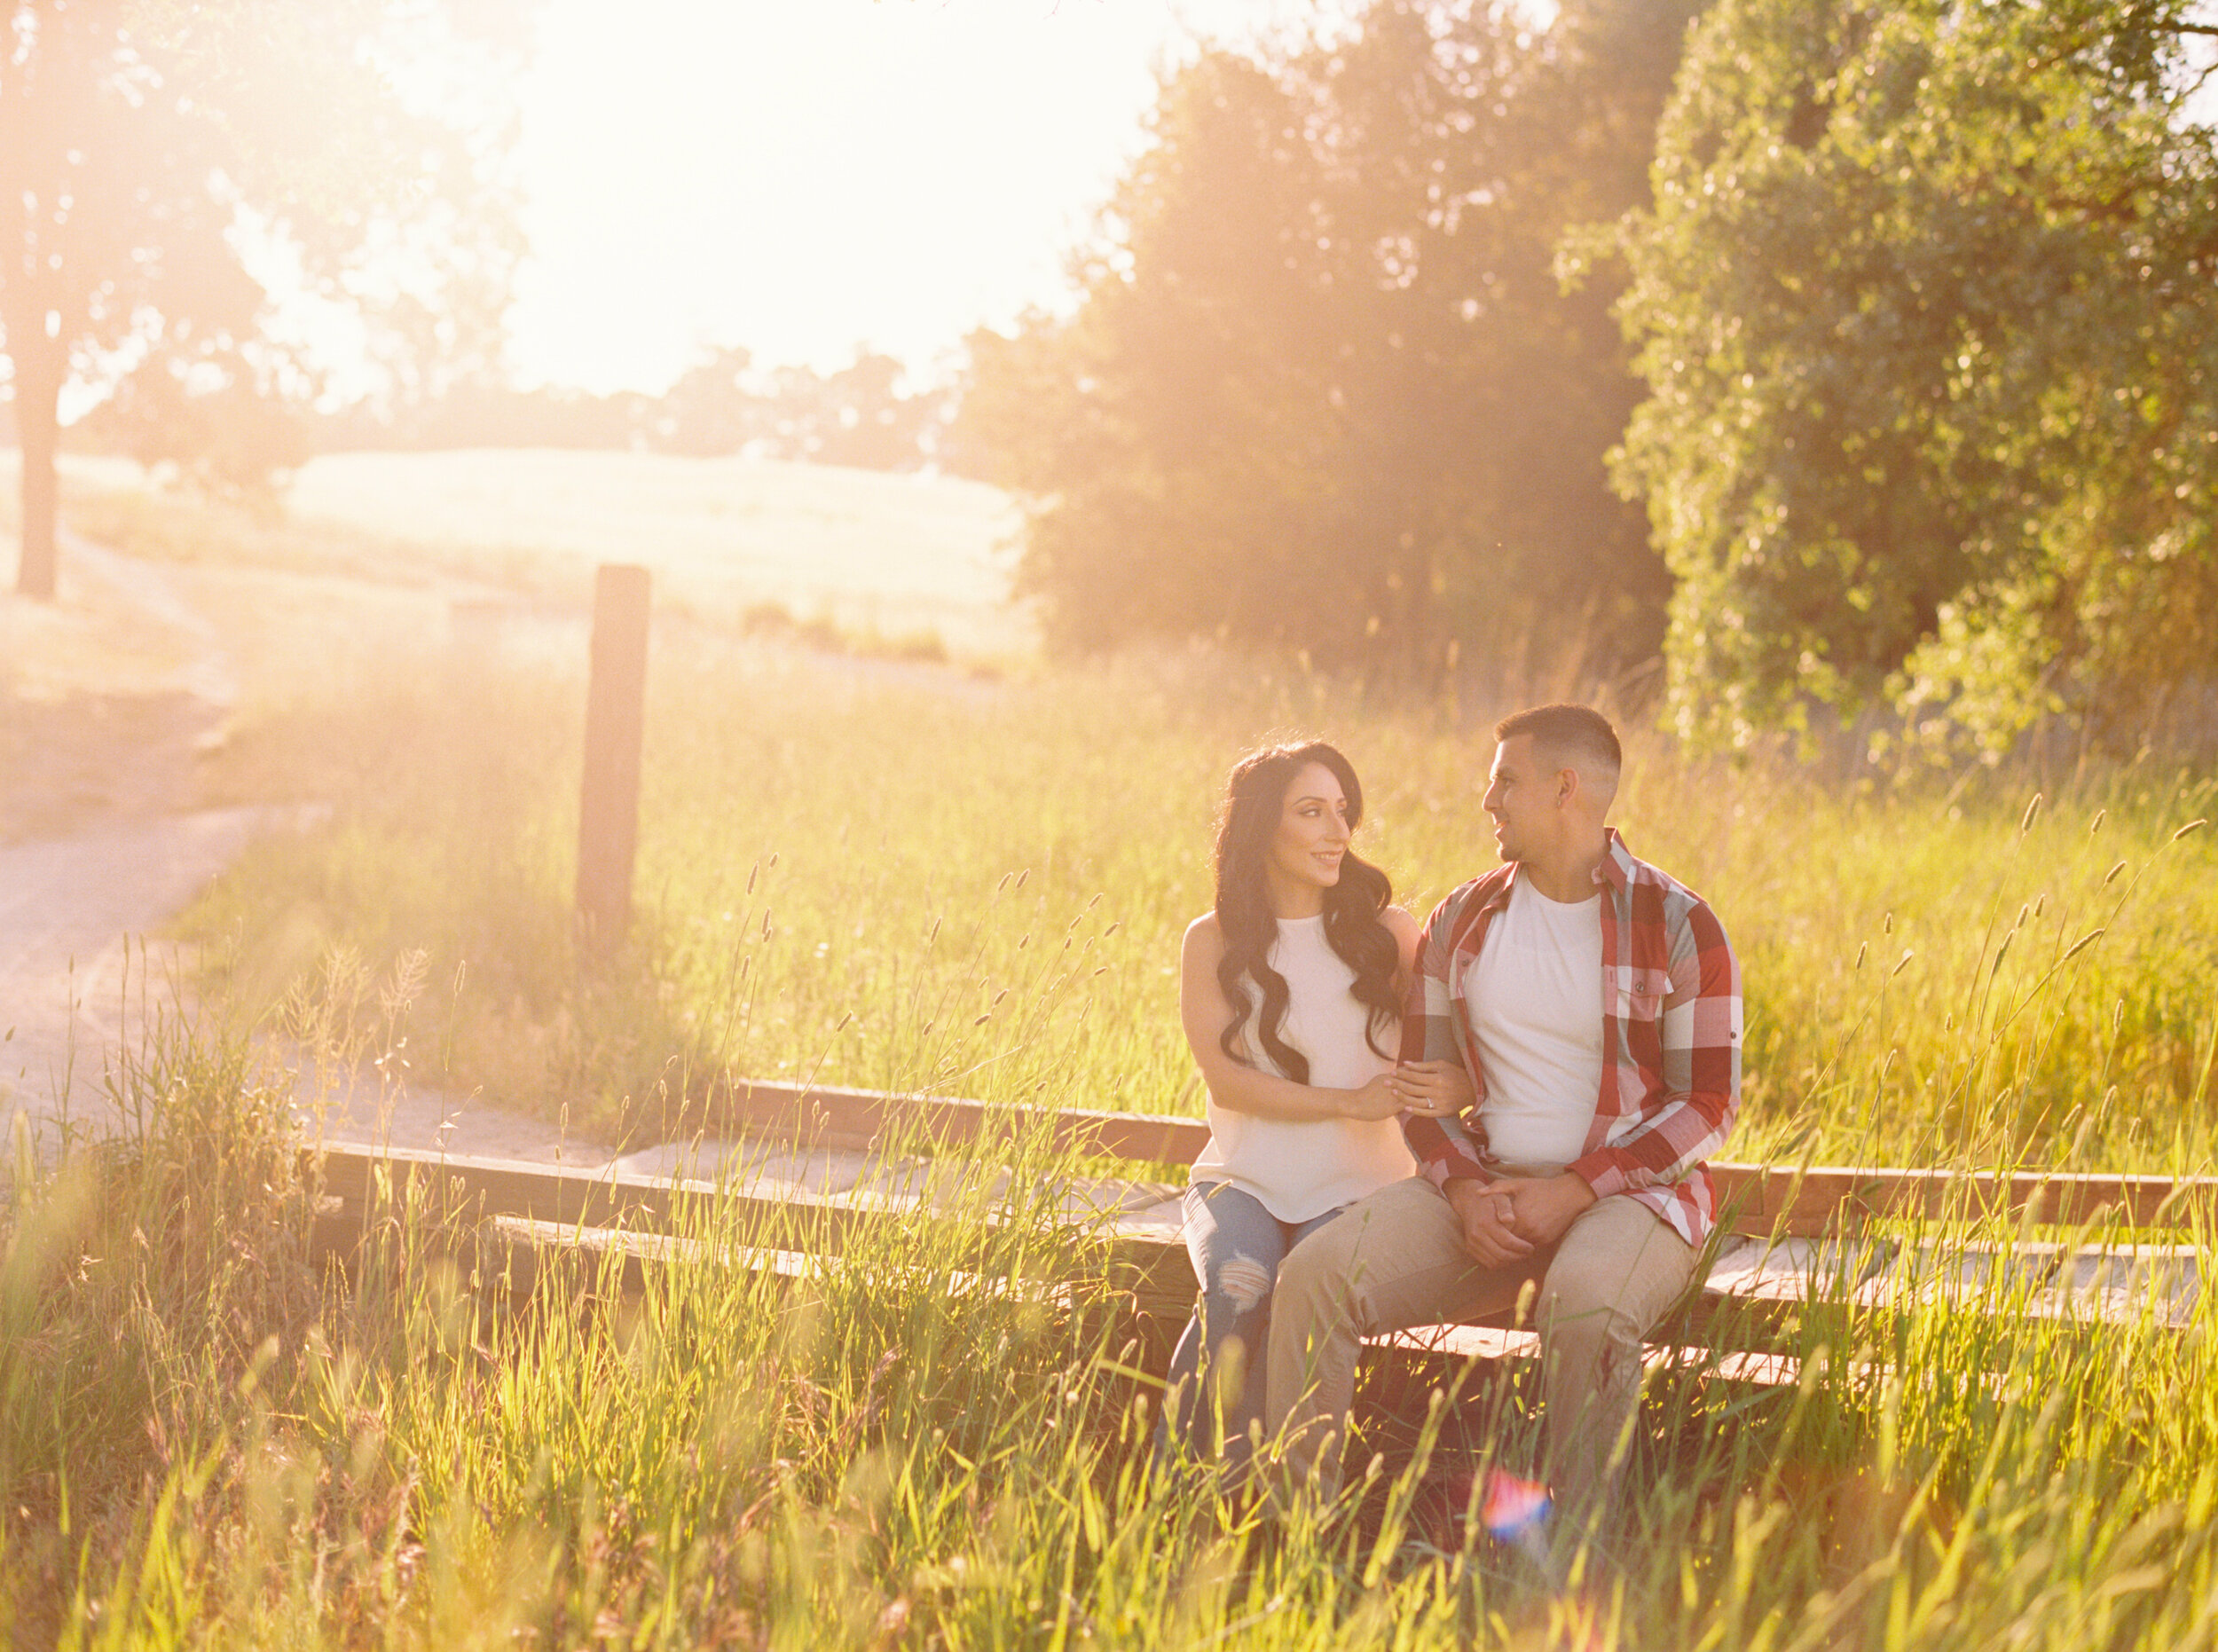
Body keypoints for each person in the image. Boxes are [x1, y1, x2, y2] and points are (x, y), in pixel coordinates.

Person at [1262, 704, 1742, 1516]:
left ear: (1566, 787)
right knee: (1313, 1276)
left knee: (1583, 1307)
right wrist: (1460, 1190)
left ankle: (1581, 1565)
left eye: (1505, 783)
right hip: (1484, 1193)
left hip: (1631, 1201)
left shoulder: (1678, 921)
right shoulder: (1464, 920)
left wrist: (1577, 1189)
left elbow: (1709, 1103)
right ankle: (1292, 1537)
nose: (1488, 802)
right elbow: (1424, 1089)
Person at [1160, 740, 1471, 1469]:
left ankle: (1269, 1504)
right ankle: (1180, 1495)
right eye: (1312, 811)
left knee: (1299, 1299)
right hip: (1244, 1181)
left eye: (1343, 812)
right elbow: (1228, 1083)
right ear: (1262, 827)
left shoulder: (1389, 934)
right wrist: (1350, 1102)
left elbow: (1460, 1054)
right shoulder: (1211, 942)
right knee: (1238, 1292)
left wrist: (1454, 1087)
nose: (1337, 831)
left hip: (1361, 1189)